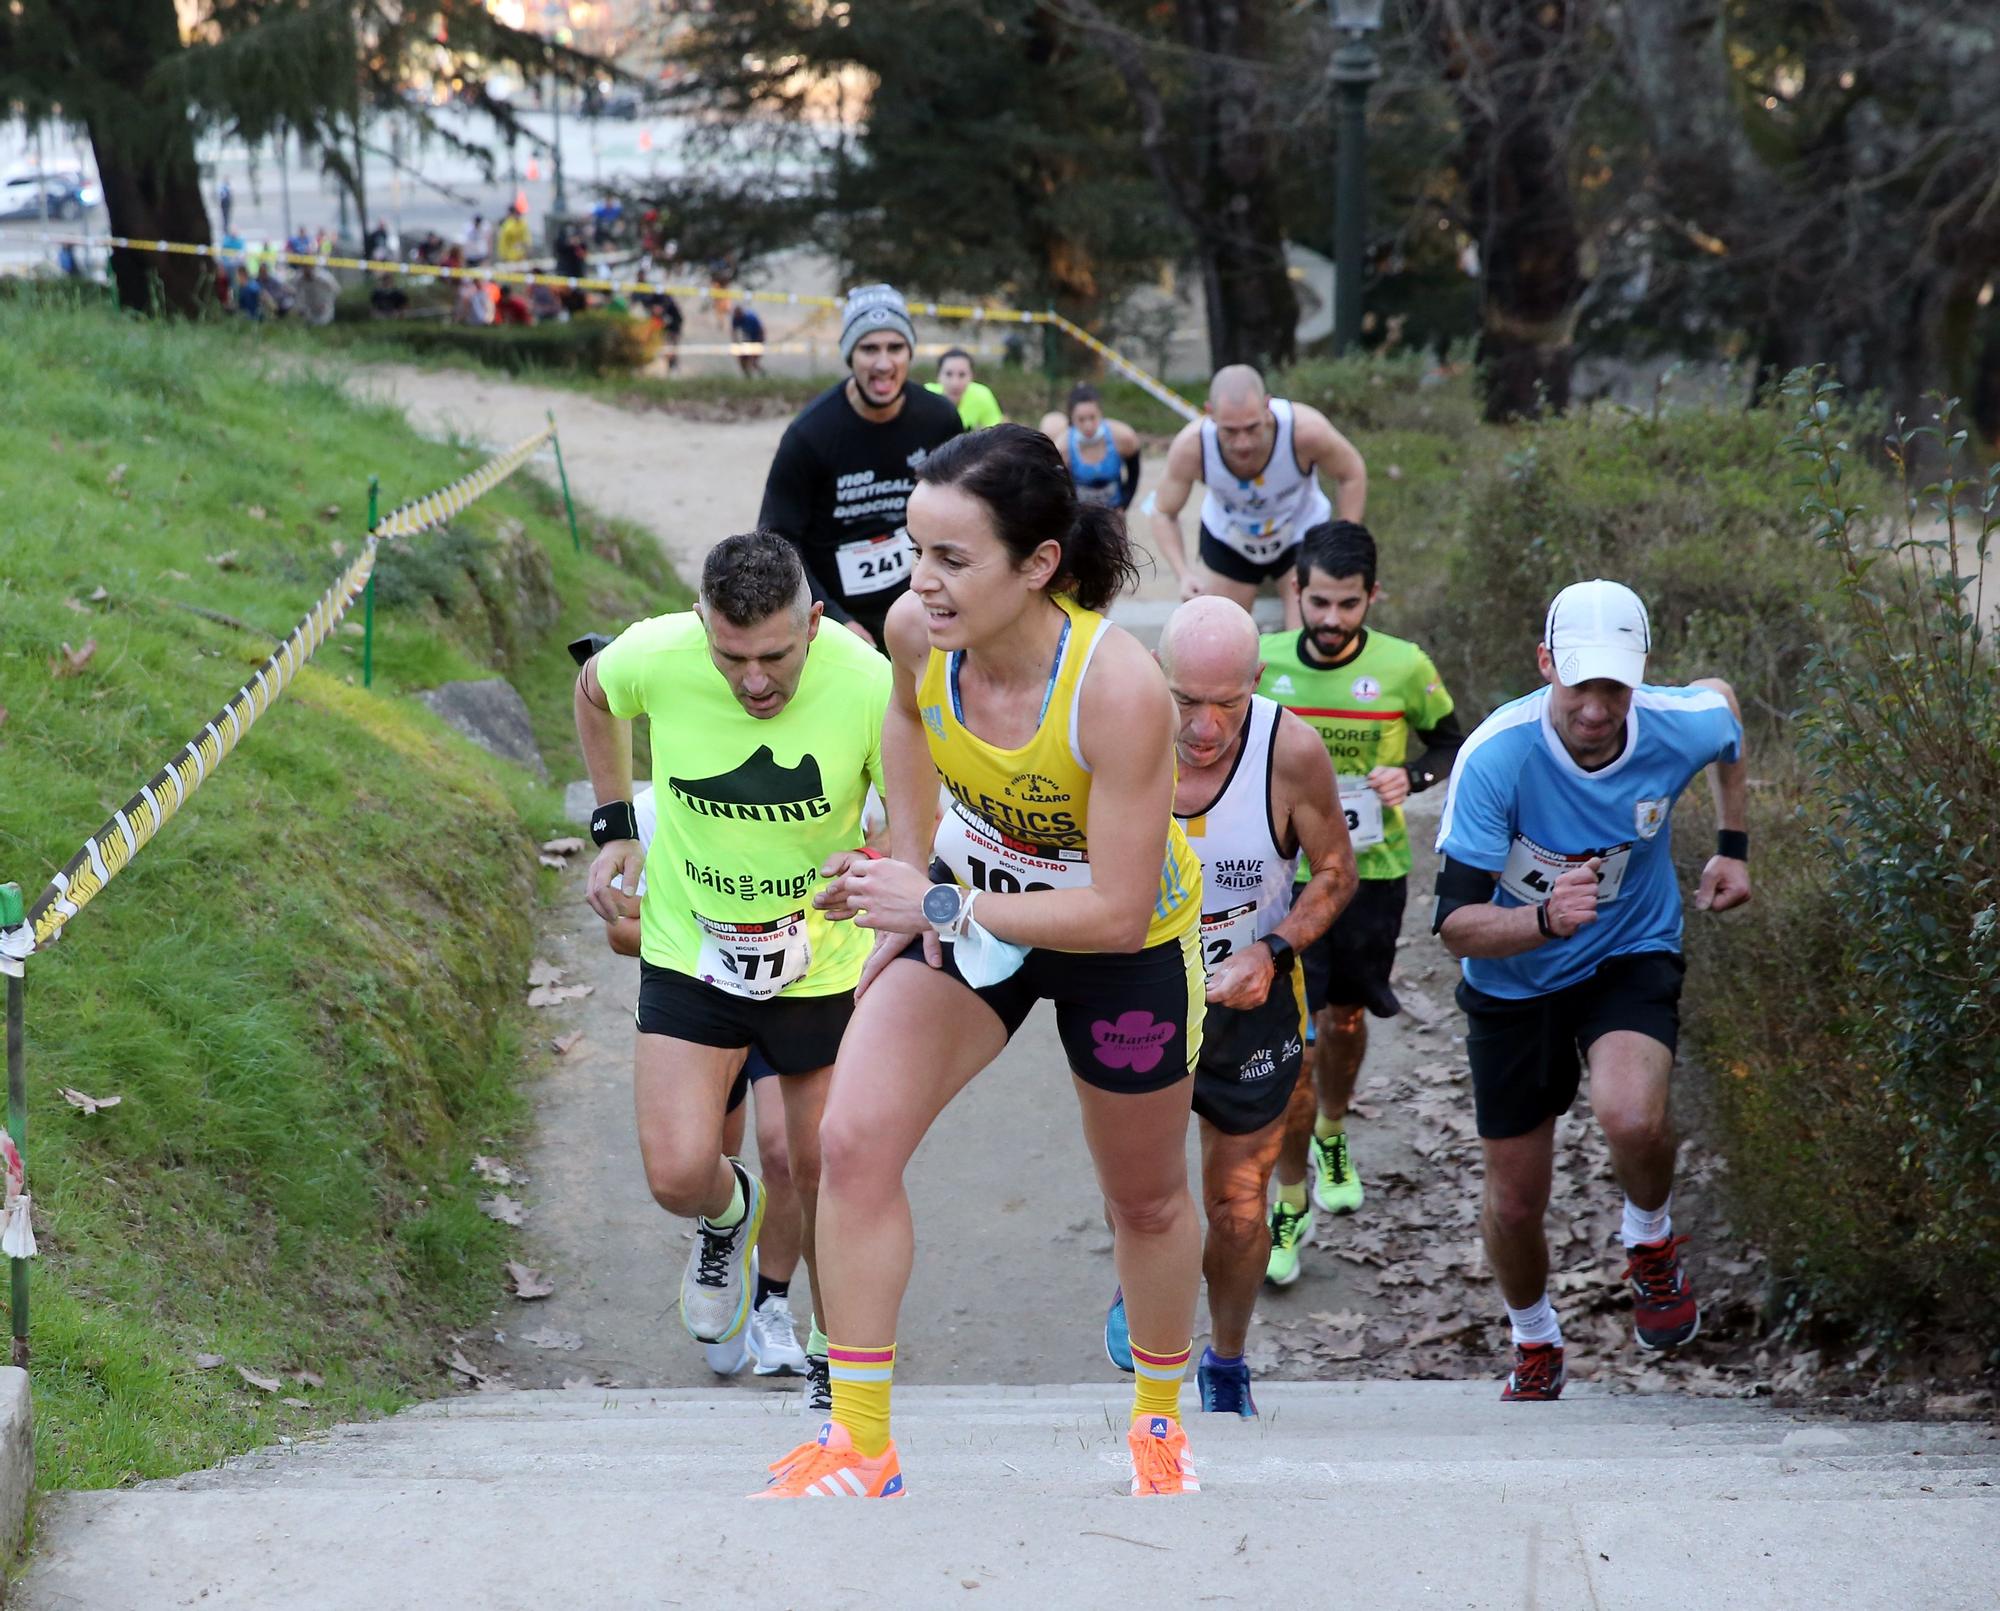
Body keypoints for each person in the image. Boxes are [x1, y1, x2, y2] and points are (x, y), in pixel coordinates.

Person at [755, 424, 1207, 1501]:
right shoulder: (917, 632)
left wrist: (940, 900)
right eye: (915, 552)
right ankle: (861, 1446)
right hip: (967, 907)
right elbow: (908, 726)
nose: (922, 584)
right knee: (853, 1141)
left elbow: (1113, 908)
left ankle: (1157, 1425)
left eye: (952, 559)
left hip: (1117, 941)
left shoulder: (1119, 689)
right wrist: (906, 889)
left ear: (1037, 564)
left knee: (1141, 1199)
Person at [575, 531, 891, 1415]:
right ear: (701, 626)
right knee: (679, 1172)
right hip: (690, 946)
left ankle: (837, 1352)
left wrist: (880, 864)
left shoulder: (867, 682)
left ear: (815, 623)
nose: (754, 680)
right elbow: (593, 693)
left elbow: (911, 812)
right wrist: (615, 826)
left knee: (828, 1164)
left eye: (776, 656)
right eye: (731, 656)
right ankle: (729, 1215)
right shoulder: (660, 651)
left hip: (820, 962)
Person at [1432, 579, 1749, 1401]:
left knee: (1631, 1113)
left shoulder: (1675, 725)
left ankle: (1649, 1239)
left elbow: (1724, 707)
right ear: (1546, 665)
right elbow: (1456, 924)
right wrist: (1540, 920)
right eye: (1581, 685)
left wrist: (1733, 844)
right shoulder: (1496, 757)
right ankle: (1534, 1335)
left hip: (1629, 949)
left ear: (1639, 677)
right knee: (1513, 1202)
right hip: (1512, 977)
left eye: (1615, 685)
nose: (1598, 709)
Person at [1101, 597, 1355, 1418]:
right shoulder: (1110, 730)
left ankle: (1229, 1357)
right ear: (1155, 678)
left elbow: (1336, 872)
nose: (1205, 727)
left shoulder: (1292, 750)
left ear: (1256, 681)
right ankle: (1145, 1281)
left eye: (1228, 703)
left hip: (1252, 1003)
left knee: (1238, 1208)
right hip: (1136, 994)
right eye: (1184, 701)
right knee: (1144, 1191)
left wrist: (1273, 949)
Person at [565, 672, 811, 1381]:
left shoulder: (834, 780)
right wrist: (705, 933)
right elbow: (619, 931)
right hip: (705, 998)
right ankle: (727, 1247)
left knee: (788, 1149)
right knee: (706, 1161)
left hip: (801, 985)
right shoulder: (664, 804)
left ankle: (773, 1301)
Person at [1257, 520, 1462, 1284]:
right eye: (1319, 602)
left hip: (1371, 874)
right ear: (1296, 594)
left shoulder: (1405, 666)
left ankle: (1333, 1130)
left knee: (1342, 1023)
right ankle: (1290, 1198)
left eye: (1348, 604)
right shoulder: (1264, 663)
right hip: (1283, 877)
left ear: (1372, 597)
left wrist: (1412, 776)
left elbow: (1449, 742)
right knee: (1295, 1042)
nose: (1333, 619)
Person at [757, 283, 964, 648]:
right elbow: (777, 539)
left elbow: (965, 513)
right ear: (850, 355)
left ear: (910, 353)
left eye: (895, 347)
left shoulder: (940, 419)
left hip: (923, 606)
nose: (884, 364)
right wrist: (838, 622)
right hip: (835, 616)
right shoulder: (810, 434)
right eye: (869, 348)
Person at [1151, 365, 1367, 627]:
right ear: (1210, 414)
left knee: (1306, 635)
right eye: (1230, 431)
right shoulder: (1192, 447)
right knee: (1221, 636)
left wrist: (1346, 540)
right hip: (1230, 538)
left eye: (1252, 428)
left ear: (1267, 406)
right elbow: (1163, 511)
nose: (1243, 443)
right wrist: (1183, 573)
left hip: (1300, 532)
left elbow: (1352, 472)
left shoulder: (1305, 431)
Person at [1040, 383, 1141, 510]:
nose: (1088, 426)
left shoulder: (1124, 437)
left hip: (1114, 512)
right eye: (1081, 419)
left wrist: (1124, 505)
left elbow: (1134, 475)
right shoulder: (1063, 447)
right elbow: (1057, 490)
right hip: (1081, 516)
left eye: (1093, 418)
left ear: (1101, 414)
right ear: (1072, 419)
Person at [927, 348, 1005, 429]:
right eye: (948, 374)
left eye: (962, 375)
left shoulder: (982, 395)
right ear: (938, 376)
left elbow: (997, 433)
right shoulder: (926, 396)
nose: (955, 383)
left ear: (972, 376)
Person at [730, 303, 766, 376]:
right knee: (742, 360)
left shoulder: (751, 318)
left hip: (757, 339)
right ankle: (748, 377)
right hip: (748, 339)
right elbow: (734, 332)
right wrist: (736, 344)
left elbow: (761, 331)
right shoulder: (736, 318)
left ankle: (764, 375)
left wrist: (759, 343)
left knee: (753, 362)